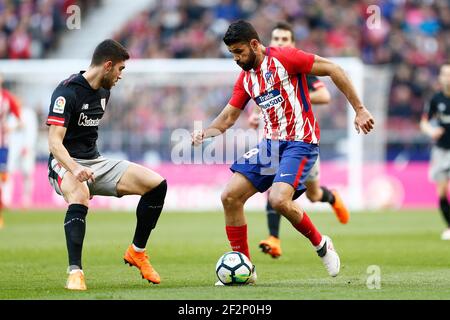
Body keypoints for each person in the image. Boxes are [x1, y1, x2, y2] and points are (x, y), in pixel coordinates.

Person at [191, 20, 374, 285]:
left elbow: (334, 69)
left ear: (255, 44)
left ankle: (321, 244)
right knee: (230, 196)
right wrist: (205, 132)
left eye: (239, 51)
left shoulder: (286, 58)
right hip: (271, 145)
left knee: (279, 200)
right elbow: (229, 117)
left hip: (301, 141)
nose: (236, 58)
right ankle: (246, 270)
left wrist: (359, 109)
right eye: (232, 54)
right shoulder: (246, 79)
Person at [46, 39, 167, 291]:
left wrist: (87, 166)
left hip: (95, 162)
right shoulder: (66, 92)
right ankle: (75, 272)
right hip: (64, 162)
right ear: (108, 65)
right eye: (121, 69)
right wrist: (74, 168)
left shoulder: (104, 91)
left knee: (156, 185)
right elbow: (54, 143)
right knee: (80, 193)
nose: (121, 76)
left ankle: (137, 252)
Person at [249, 22, 349, 259]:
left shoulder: (298, 67)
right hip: (276, 142)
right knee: (275, 189)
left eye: (285, 39)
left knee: (313, 196)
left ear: (292, 44)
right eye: (276, 38)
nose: (280, 43)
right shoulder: (263, 72)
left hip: (302, 141)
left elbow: (324, 95)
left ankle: (331, 196)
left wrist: (292, 95)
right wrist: (255, 115)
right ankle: (274, 238)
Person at [420, 62, 450, 240]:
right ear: (440, 78)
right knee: (440, 191)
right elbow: (424, 122)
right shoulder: (435, 99)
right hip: (440, 150)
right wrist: (431, 131)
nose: (447, 77)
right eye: (444, 74)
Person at [0, 74, 22, 229]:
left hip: (3, 144)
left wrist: (10, 127)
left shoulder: (7, 98)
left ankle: (3, 202)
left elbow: (20, 122)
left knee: (3, 175)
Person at [7, 104, 38, 209]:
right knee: (8, 173)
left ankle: (26, 200)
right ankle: (7, 199)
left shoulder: (29, 114)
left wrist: (28, 146)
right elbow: (8, 129)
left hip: (26, 148)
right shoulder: (11, 114)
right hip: (13, 148)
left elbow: (32, 131)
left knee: (27, 174)